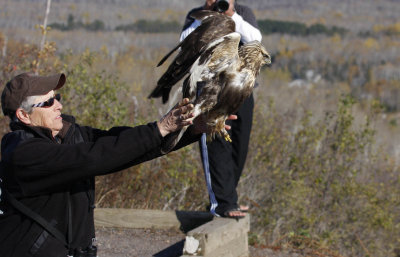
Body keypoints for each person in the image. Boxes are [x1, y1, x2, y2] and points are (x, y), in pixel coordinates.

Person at [0, 72, 232, 257]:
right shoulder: (23, 153)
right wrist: (161, 128)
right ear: (23, 115)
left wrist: (190, 129)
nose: (58, 105)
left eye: (57, 98)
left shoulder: (65, 136)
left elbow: (120, 146)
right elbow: (95, 157)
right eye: (48, 102)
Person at [180, 0, 262, 218]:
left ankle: (228, 198)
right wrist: (207, 16)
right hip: (210, 90)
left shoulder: (243, 13)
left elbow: (255, 40)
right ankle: (224, 203)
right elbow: (185, 44)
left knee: (239, 147)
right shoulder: (195, 15)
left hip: (242, 89)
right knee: (216, 143)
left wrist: (232, 14)